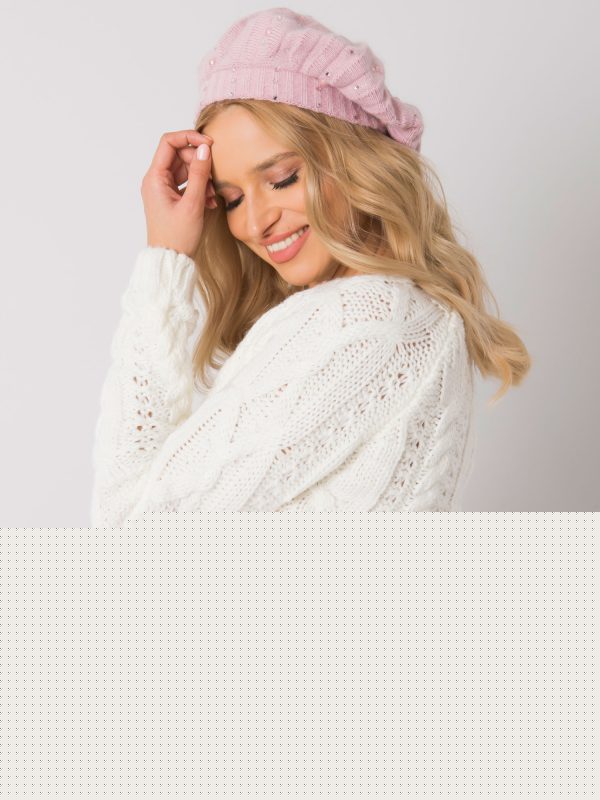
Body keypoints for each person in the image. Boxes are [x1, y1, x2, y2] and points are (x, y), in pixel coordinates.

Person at [90, 7, 530, 524]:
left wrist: (165, 260)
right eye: (231, 200)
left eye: (282, 179)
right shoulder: (407, 319)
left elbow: (128, 530)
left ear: (356, 160)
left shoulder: (365, 324)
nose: (255, 222)